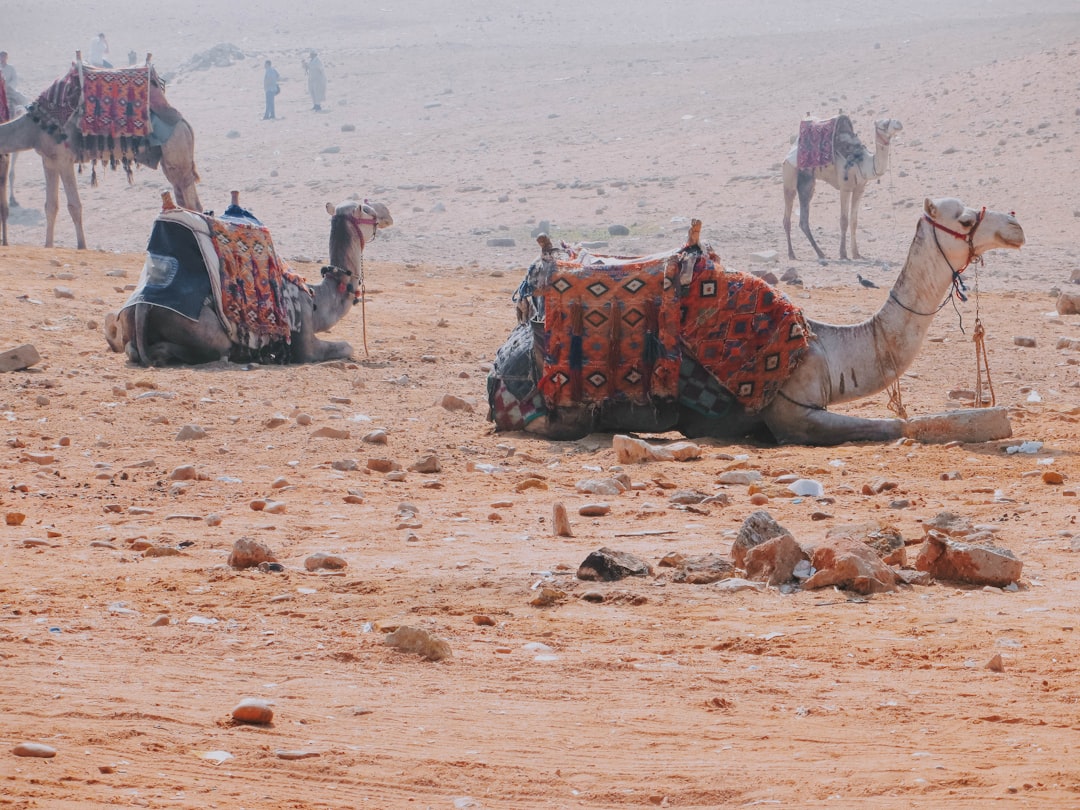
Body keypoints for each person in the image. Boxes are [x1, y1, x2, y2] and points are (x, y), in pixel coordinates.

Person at [0, 51, 27, 115]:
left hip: (9, 89)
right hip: (1, 89)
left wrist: (9, 86)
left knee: (23, 99)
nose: (2, 58)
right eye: (1, 57)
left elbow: (15, 79)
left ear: (7, 58)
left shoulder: (11, 68)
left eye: (4, 57)